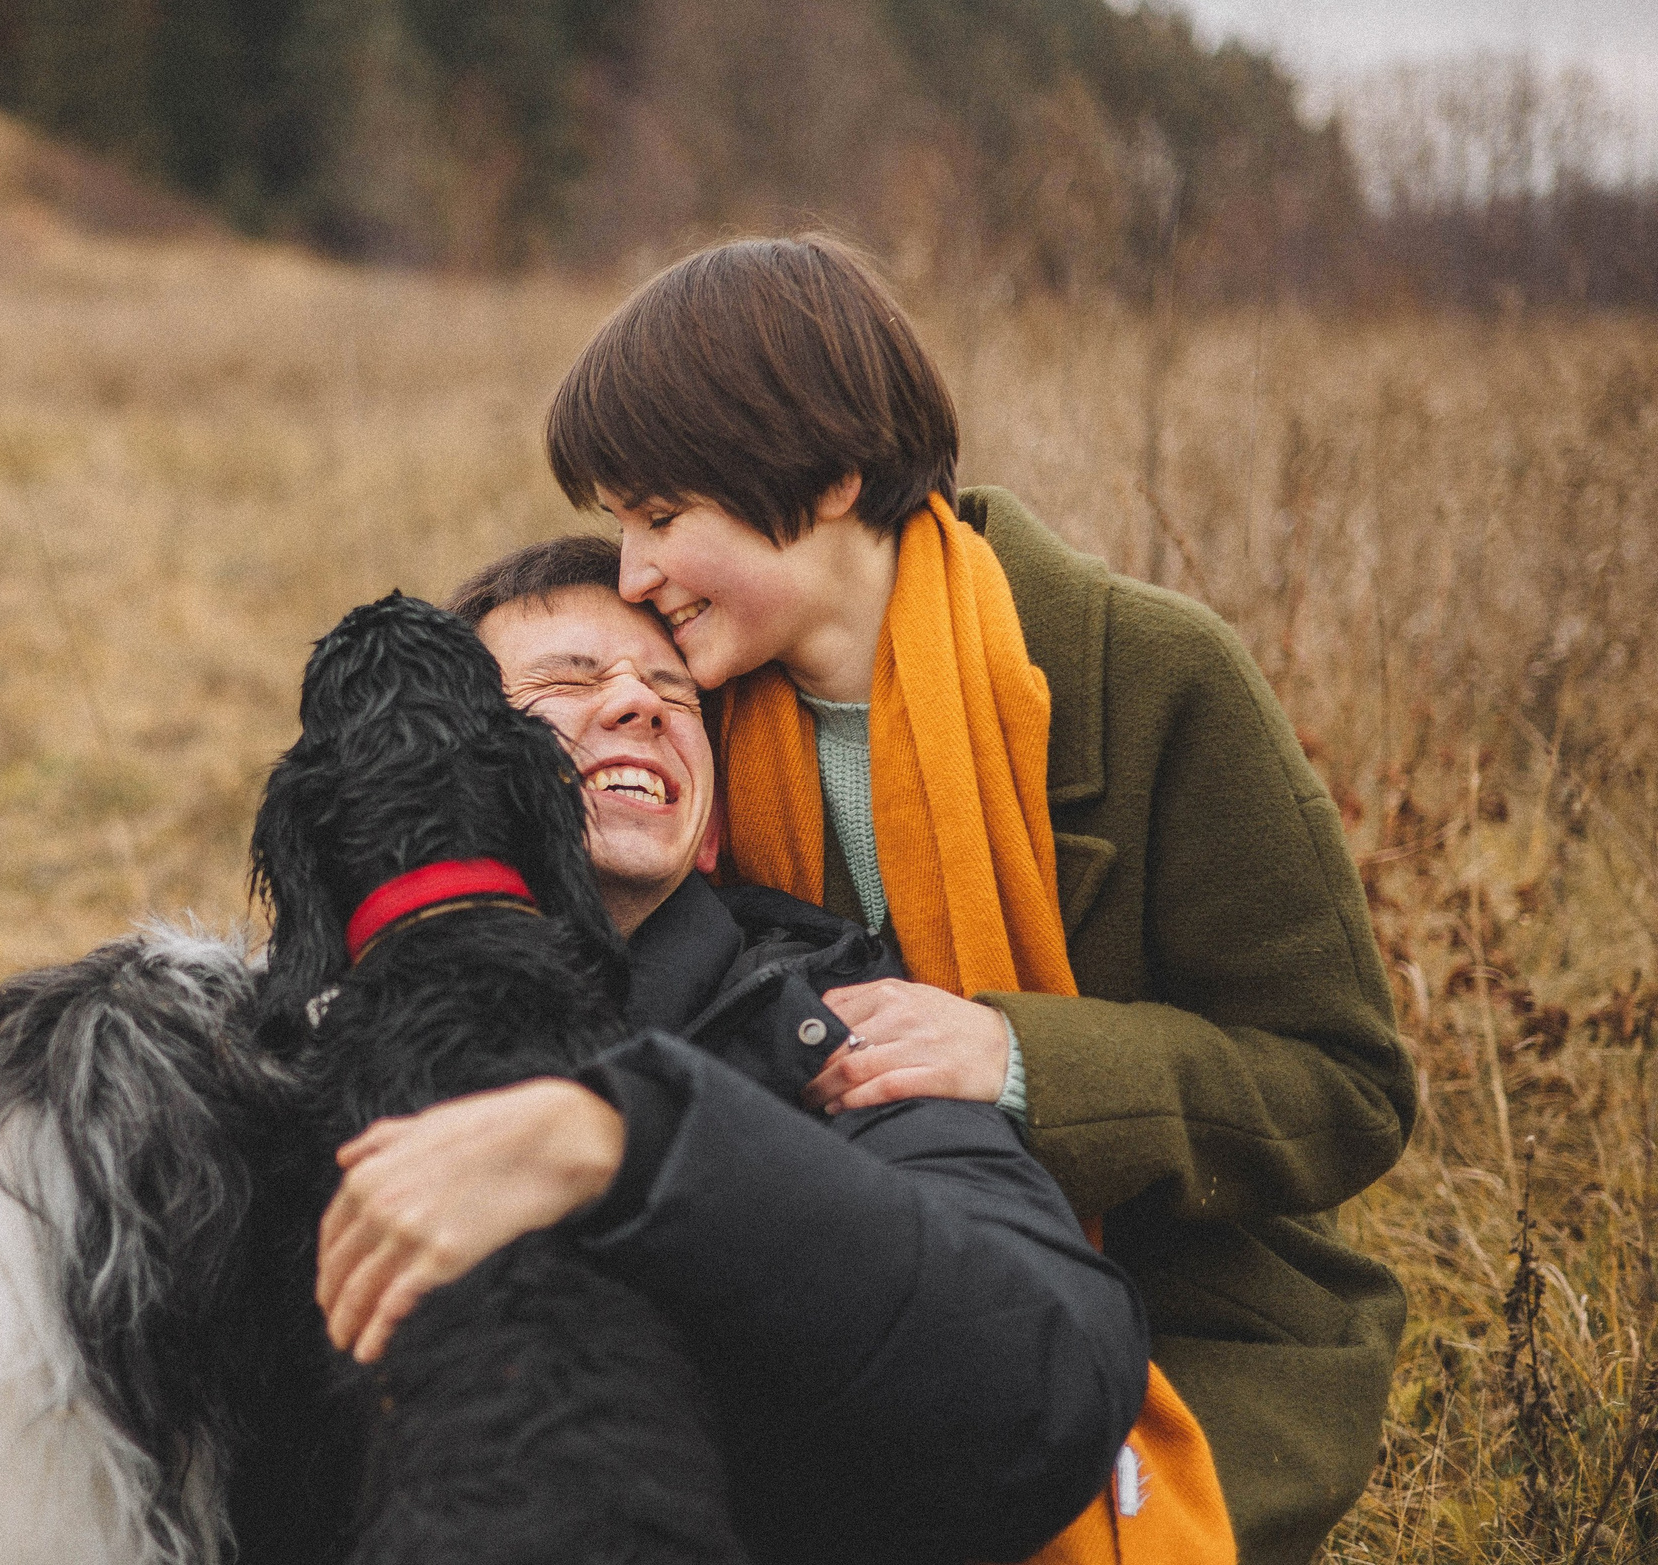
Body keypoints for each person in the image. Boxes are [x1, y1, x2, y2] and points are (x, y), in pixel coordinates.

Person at [0, 537, 1150, 1563]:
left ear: (711, 825)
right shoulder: (278, 1052)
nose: (633, 703)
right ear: (449, 778)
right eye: (564, 685)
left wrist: (636, 1145)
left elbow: (1048, 1380)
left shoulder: (830, 1022)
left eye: (672, 695)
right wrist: (26, 1179)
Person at [491, 233, 1405, 1565]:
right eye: (620, 523)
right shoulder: (695, 719)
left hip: (1187, 1316)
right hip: (855, 1287)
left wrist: (1020, 1061)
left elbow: (1348, 1087)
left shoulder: (1149, 674)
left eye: (663, 517)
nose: (631, 573)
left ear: (828, 476)